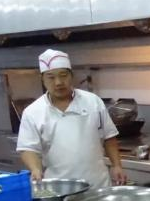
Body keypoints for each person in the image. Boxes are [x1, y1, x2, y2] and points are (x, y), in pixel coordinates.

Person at [16, 49, 126, 188]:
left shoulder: (93, 101)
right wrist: (35, 169)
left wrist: (116, 165)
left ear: (72, 76)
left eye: (63, 75)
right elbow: (27, 148)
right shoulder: (33, 112)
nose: (58, 82)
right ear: (42, 79)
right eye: (51, 77)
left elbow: (109, 137)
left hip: (98, 184)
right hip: (60, 188)